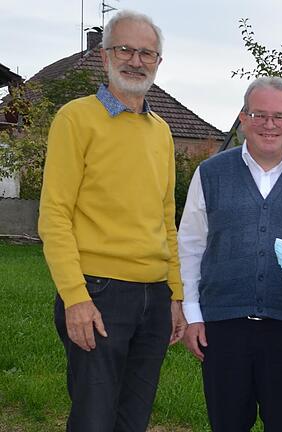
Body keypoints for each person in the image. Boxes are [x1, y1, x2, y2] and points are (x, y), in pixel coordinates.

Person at [38, 11, 186, 431]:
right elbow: (54, 215)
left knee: (133, 418)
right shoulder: (75, 118)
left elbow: (164, 219)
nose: (135, 61)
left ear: (158, 61)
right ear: (105, 57)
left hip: (154, 298)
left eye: (146, 53)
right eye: (124, 49)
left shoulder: (162, 131)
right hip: (98, 293)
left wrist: (174, 294)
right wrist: (75, 297)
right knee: (94, 418)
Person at [177, 76, 282, 432]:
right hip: (223, 327)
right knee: (227, 423)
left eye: (279, 116)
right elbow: (191, 245)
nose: (269, 124)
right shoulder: (210, 173)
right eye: (259, 114)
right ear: (242, 118)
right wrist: (192, 314)